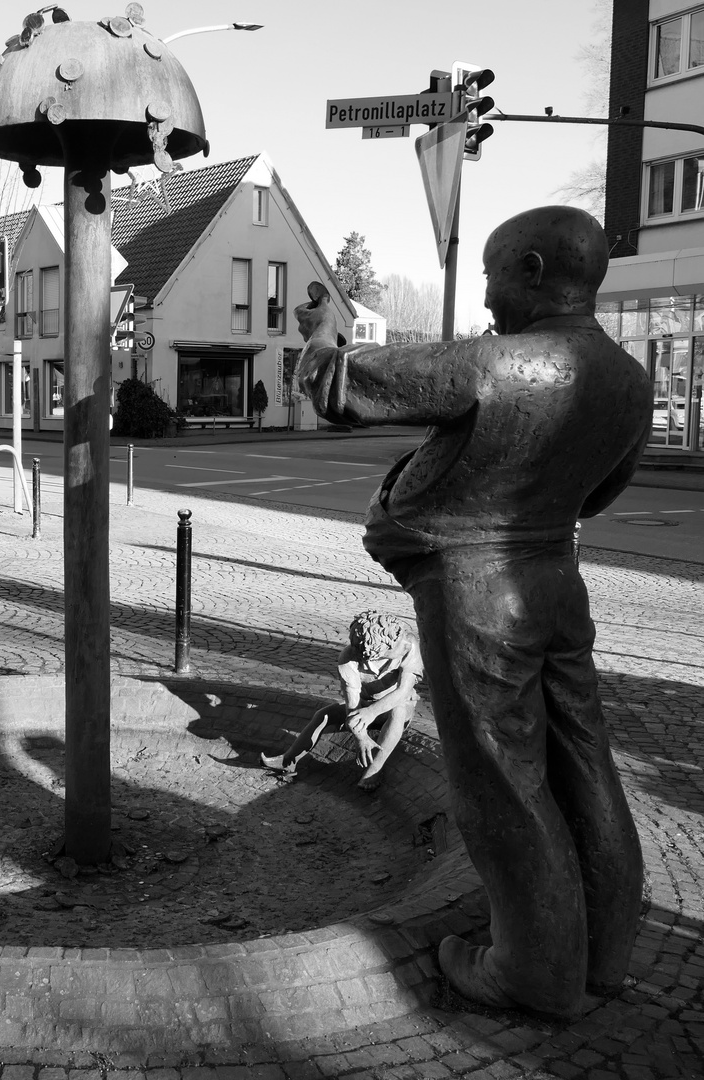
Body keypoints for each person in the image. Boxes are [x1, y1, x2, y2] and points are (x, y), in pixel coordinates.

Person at [294, 206, 650, 1020]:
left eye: (491, 276)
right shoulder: (627, 380)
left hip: (476, 593)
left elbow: (338, 389)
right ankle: (602, 958)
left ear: (529, 268)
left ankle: (533, 972)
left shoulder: (498, 363)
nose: (486, 299)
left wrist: (322, 332)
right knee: (584, 769)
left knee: (500, 784)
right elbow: (600, 493)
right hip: (556, 581)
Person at [261, 611, 421, 790]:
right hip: (364, 707)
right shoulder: (348, 660)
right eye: (395, 646)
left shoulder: (408, 644)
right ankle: (288, 760)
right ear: (375, 652)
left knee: (398, 710)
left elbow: (402, 691)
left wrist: (371, 712)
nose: (404, 644)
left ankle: (374, 769)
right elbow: (352, 705)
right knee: (323, 716)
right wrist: (360, 736)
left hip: (398, 705)